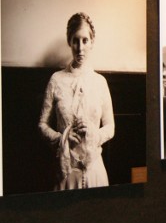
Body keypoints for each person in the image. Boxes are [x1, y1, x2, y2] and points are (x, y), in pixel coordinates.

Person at [38, 12, 115, 190]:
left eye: (85, 40)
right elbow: (42, 124)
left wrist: (93, 133)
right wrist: (61, 137)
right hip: (65, 173)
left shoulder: (100, 82)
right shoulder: (56, 80)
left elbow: (110, 127)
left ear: (92, 42)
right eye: (75, 40)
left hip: (94, 170)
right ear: (69, 42)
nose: (80, 48)